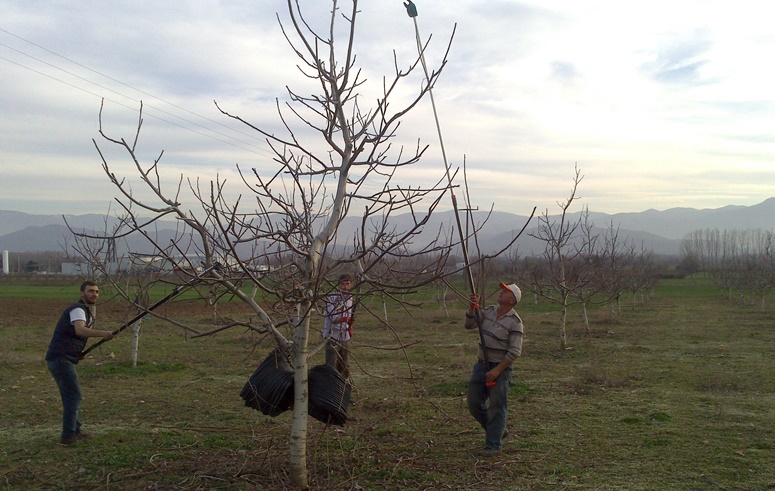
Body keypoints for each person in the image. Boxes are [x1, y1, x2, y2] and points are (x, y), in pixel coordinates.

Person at [45, 280, 115, 445]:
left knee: (70, 396)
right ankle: (68, 436)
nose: (94, 294)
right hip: (61, 359)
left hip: (63, 358)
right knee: (74, 397)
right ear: (82, 293)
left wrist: (77, 354)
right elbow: (80, 330)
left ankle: (75, 429)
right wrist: (103, 334)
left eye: (97, 292)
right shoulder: (78, 309)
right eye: (91, 291)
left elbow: (72, 335)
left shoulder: (84, 311)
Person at [464, 282, 524, 457]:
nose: (501, 293)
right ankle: (498, 430)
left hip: (500, 370)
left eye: (505, 292)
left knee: (497, 407)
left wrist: (497, 371)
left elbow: (515, 352)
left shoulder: (515, 322)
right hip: (480, 366)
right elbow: (469, 325)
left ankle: (493, 446)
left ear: (512, 300)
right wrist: (472, 308)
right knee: (474, 403)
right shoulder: (489, 311)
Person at [323, 274, 354, 378]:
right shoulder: (331, 298)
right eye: (343, 284)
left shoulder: (350, 298)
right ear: (338, 285)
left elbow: (348, 315)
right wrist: (345, 319)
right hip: (333, 336)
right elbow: (333, 319)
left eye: (347, 284)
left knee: (344, 364)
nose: (345, 286)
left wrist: (350, 325)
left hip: (345, 335)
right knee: (331, 364)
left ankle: (344, 386)